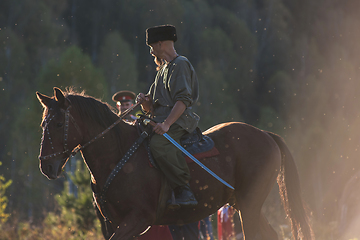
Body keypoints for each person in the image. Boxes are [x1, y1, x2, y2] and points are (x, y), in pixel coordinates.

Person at [137, 24, 200, 208]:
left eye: (151, 47)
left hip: (179, 121)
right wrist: (144, 102)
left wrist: (166, 124)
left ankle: (183, 189)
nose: (151, 52)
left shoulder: (180, 64)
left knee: (159, 144)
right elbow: (152, 107)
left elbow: (182, 100)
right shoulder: (163, 69)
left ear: (160, 44)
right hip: (164, 120)